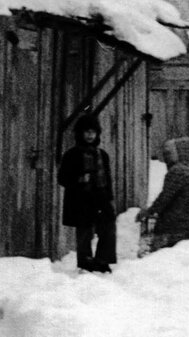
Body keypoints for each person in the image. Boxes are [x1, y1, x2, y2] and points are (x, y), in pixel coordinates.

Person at [58, 113, 117, 272]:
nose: (90, 135)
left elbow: (108, 179)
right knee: (84, 232)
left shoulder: (102, 155)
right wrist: (79, 179)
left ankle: (102, 260)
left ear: (97, 134)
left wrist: (110, 198)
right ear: (80, 133)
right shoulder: (71, 154)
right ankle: (85, 263)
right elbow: (62, 178)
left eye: (93, 132)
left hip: (101, 197)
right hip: (81, 199)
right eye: (87, 132)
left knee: (108, 228)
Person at [137, 136, 189, 252]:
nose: (167, 158)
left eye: (169, 154)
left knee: (163, 224)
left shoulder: (177, 171)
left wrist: (148, 212)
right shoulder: (185, 170)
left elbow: (165, 198)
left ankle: (159, 250)